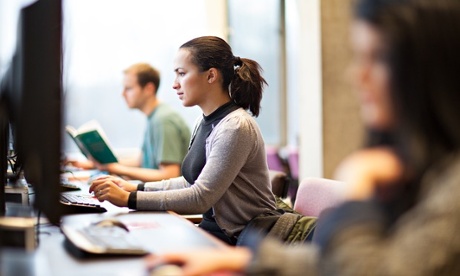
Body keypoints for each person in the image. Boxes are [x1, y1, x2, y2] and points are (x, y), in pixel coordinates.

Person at [143, 0, 460, 275]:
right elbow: (341, 265)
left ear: (430, 68)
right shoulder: (418, 164)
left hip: (277, 231)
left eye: (377, 58)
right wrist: (247, 262)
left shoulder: (451, 187)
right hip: (267, 241)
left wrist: (357, 191)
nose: (357, 76)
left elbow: (371, 270)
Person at [89, 36, 277, 245]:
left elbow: (199, 198)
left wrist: (128, 199)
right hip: (211, 233)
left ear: (211, 76)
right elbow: (189, 182)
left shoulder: (235, 126)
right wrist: (133, 188)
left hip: (242, 241)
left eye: (182, 73)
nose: (174, 84)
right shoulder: (203, 121)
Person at [69, 63, 191, 183]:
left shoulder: (163, 120)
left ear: (149, 89)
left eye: (129, 88)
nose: (123, 94)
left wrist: (116, 169)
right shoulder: (154, 117)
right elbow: (141, 161)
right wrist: (95, 165)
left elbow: (169, 174)